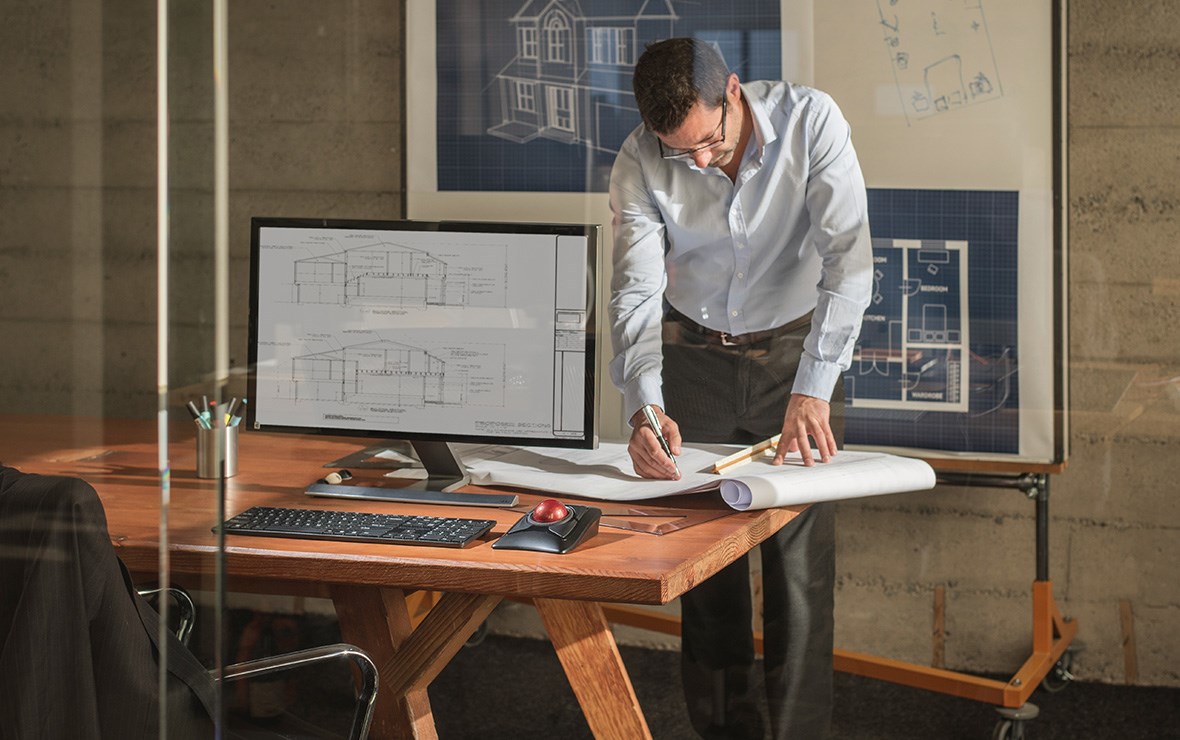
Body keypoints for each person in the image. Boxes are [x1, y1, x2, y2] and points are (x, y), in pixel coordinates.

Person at [608, 38, 873, 738]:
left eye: (709, 139)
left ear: (732, 90)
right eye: (679, 150)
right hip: (692, 357)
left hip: (797, 359)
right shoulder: (640, 157)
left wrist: (814, 388)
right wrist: (645, 405)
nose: (700, 161)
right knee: (705, 574)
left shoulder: (812, 121)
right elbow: (636, 291)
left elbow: (849, 263)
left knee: (798, 577)